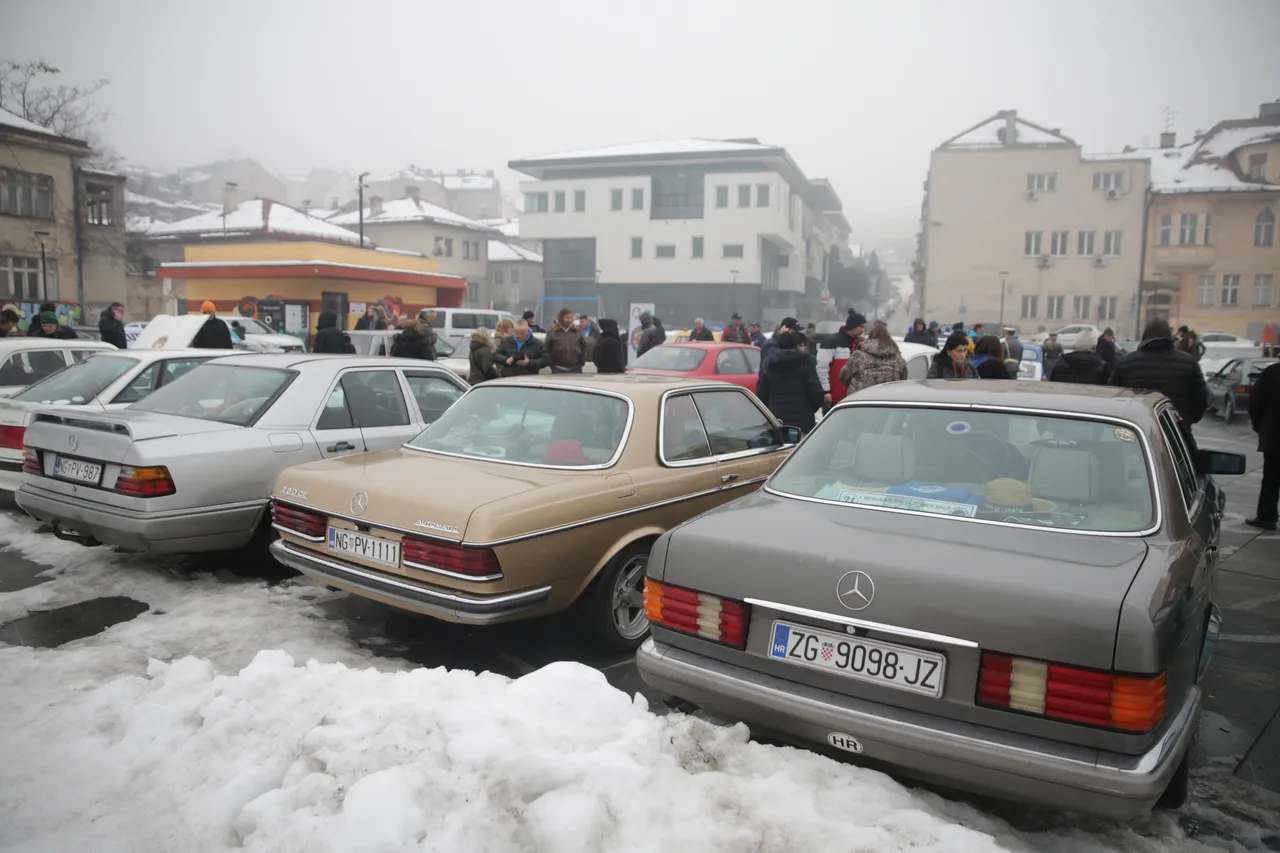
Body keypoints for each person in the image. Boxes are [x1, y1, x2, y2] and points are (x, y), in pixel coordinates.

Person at [1110, 318, 1207, 424]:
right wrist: (1187, 420)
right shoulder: (1189, 363)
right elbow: (1200, 400)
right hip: (1177, 428)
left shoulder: (1126, 363)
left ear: (1145, 337)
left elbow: (1112, 396)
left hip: (1136, 427)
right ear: (1169, 336)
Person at [755, 331, 824, 434]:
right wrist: (808, 409)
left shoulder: (770, 365)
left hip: (776, 422)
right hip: (802, 423)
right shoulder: (805, 363)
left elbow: (761, 396)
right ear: (796, 346)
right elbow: (817, 394)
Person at [1247, 360, 1280, 530]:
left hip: (1274, 435)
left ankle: (1267, 517)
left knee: (1271, 478)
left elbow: (1255, 402)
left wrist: (1260, 426)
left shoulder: (1271, 373)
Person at [816, 310, 866, 408]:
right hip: (834, 399)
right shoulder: (831, 342)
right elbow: (822, 368)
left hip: (855, 398)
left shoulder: (862, 344)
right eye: (861, 327)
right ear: (853, 326)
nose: (863, 330)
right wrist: (826, 391)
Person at [840, 321, 907, 394]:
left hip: (860, 399)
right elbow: (903, 379)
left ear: (871, 335)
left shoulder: (859, 355)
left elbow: (844, 376)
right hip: (888, 399)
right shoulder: (897, 358)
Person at [547, 308, 586, 373]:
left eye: (571, 318)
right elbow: (546, 348)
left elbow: (583, 346)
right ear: (561, 318)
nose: (569, 320)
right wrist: (550, 363)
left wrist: (582, 361)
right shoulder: (553, 332)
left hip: (575, 368)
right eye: (567, 318)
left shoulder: (577, 331)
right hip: (557, 368)